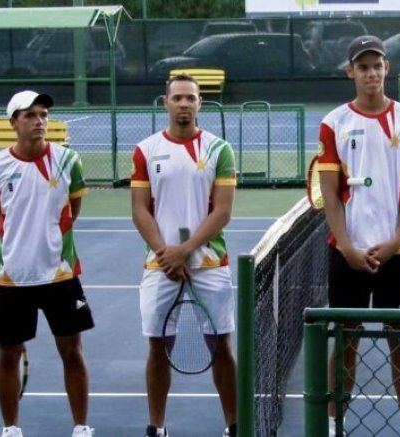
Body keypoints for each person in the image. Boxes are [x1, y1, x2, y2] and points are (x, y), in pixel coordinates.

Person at [316, 36, 400, 437]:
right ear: (351, 73)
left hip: (398, 252)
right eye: (363, 67)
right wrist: (345, 245)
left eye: (377, 65)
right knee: (345, 342)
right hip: (347, 253)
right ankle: (334, 425)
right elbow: (329, 191)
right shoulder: (333, 123)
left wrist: (396, 239)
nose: (371, 73)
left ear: (387, 69)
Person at [0, 90, 95, 437]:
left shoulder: (68, 160)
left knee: (72, 351)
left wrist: (50, 243)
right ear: (13, 122)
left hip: (61, 276)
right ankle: (11, 428)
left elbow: (72, 211)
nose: (39, 121)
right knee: (8, 353)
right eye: (30, 115)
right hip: (12, 278)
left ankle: (80, 426)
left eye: (43, 115)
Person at [130, 74, 238, 437]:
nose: (184, 104)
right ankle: (156, 427)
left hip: (210, 265)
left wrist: (185, 251)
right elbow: (140, 210)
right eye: (177, 98)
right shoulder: (145, 150)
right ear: (166, 103)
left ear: (199, 104)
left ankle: (233, 425)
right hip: (159, 267)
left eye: (190, 98)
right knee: (157, 346)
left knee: (221, 344)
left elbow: (222, 211)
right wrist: (166, 254)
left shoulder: (219, 150)